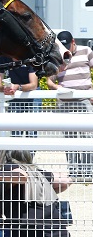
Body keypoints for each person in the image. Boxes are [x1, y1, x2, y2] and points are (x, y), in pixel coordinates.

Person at [46, 30, 93, 179]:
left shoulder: (86, 51)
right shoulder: (59, 56)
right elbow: (49, 81)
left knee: (87, 136)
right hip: (65, 102)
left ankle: (87, 171)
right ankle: (73, 171)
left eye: (68, 46)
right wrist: (56, 87)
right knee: (69, 137)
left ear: (73, 42)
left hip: (84, 99)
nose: (67, 50)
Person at [0, 55, 38, 138]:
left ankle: (31, 150)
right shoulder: (3, 58)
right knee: (15, 129)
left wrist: (18, 87)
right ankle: (16, 150)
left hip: (31, 94)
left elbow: (34, 85)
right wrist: (4, 88)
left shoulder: (30, 56)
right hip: (14, 95)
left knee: (32, 127)